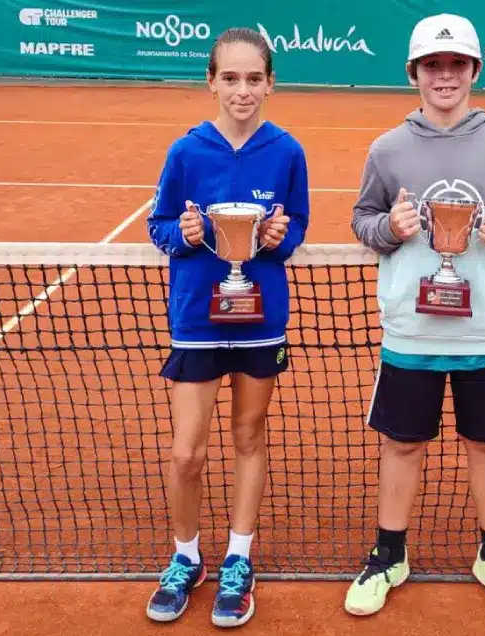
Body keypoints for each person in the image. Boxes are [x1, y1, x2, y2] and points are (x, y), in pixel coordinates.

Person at [345, 13, 485, 622]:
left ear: (473, 70)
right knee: (402, 445)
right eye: (432, 65)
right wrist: (390, 228)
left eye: (456, 64)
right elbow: (363, 219)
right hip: (411, 327)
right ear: (414, 73)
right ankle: (389, 555)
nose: (445, 75)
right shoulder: (388, 148)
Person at [144, 27, 310, 628]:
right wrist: (180, 236)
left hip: (261, 316)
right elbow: (159, 223)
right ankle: (186, 556)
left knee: (248, 436)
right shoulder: (186, 152)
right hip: (195, 319)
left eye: (254, 78)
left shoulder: (287, 151)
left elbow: (297, 229)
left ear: (270, 84)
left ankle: (239, 556)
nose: (243, 90)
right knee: (187, 451)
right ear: (211, 81)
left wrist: (276, 239)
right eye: (231, 78)